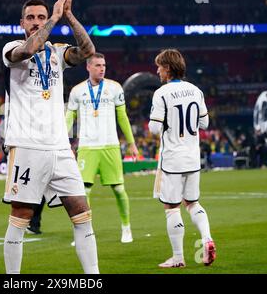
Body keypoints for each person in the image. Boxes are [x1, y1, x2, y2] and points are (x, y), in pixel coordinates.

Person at [1, 0, 99, 274]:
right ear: (22, 23)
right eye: (30, 17)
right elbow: (29, 48)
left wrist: (68, 15)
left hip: (59, 147)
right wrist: (54, 20)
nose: (35, 21)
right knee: (20, 216)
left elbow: (88, 51)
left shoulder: (58, 53)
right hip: (27, 146)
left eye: (40, 17)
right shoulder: (10, 49)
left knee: (82, 214)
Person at [148, 49, 216, 268]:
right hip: (193, 158)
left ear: (167, 68)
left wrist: (167, 121)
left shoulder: (161, 93)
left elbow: (154, 129)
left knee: (172, 208)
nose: (157, 70)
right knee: (193, 203)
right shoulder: (196, 90)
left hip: (172, 160)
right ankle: (206, 239)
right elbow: (205, 124)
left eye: (159, 66)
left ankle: (178, 258)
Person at [66, 52, 139, 244]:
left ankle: (126, 228)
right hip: (87, 147)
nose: (102, 68)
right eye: (98, 65)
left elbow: (122, 116)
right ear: (88, 67)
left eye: (104, 65)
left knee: (119, 189)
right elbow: (69, 118)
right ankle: (84, 232)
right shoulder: (77, 90)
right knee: (83, 192)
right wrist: (63, 141)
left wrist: (131, 142)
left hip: (110, 145)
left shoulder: (115, 88)